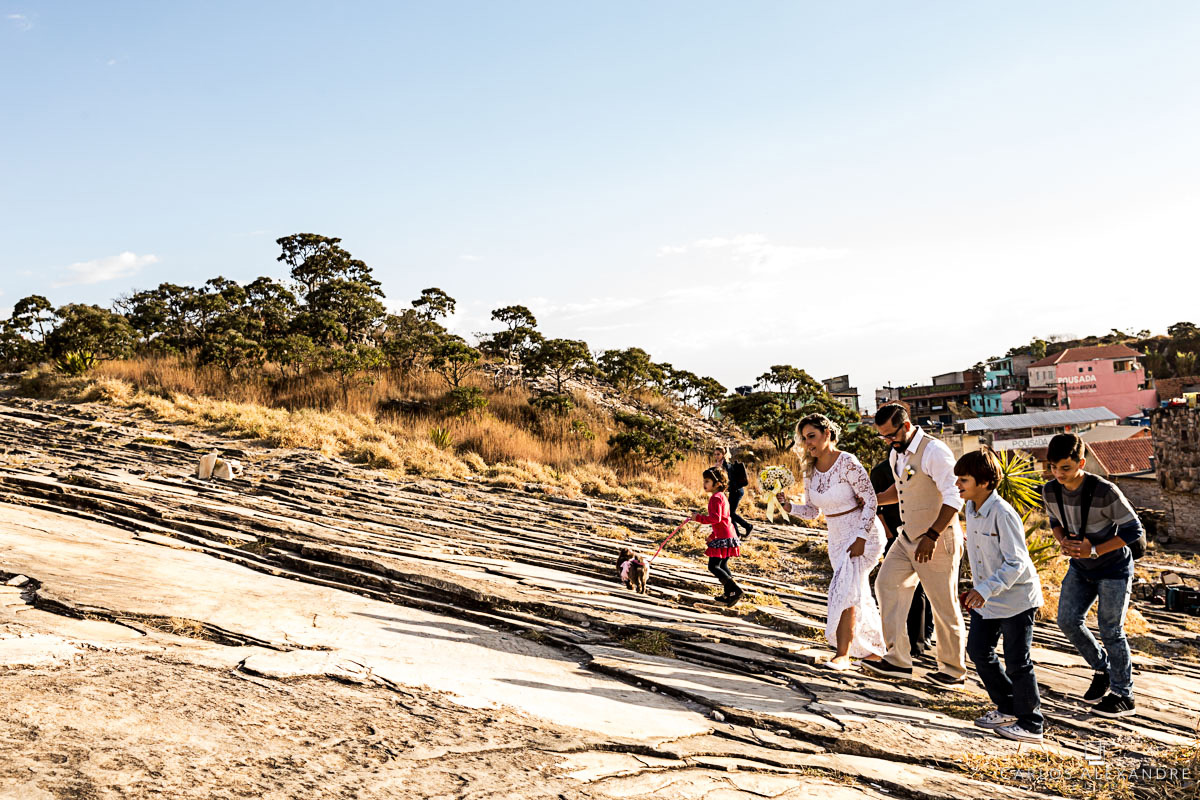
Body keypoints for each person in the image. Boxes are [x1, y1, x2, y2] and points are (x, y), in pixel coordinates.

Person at [1044, 433, 1145, 718]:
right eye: (1053, 467)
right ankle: (1103, 669)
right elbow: (1054, 521)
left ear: (1081, 463)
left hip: (1113, 569)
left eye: (1065, 467)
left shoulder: (1105, 491)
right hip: (1080, 568)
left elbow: (1133, 531)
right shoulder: (1050, 490)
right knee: (1066, 621)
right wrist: (1063, 540)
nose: (1058, 474)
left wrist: (1095, 550)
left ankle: (1124, 695)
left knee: (1111, 631)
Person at [866, 404, 967, 687]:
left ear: (906, 425)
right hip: (907, 536)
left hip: (937, 538)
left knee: (943, 604)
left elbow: (954, 497)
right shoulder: (896, 453)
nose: (888, 441)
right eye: (883, 437)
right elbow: (898, 492)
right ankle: (898, 659)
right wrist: (868, 500)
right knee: (886, 585)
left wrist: (932, 535)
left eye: (890, 435)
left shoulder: (935, 452)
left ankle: (952, 671)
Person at [777, 414, 886, 669]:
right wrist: (788, 506)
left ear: (827, 433)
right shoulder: (810, 472)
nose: (807, 443)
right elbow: (813, 512)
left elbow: (871, 500)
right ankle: (874, 649)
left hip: (863, 535)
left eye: (811, 436)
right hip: (836, 539)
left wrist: (860, 537)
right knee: (856, 592)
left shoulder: (847, 462)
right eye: (804, 439)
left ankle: (842, 655)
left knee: (846, 591)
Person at [956, 448, 1045, 743]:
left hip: (1017, 599)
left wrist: (983, 590)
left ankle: (1032, 724)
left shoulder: (1003, 514)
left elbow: (1017, 563)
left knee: (1018, 661)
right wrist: (976, 589)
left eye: (964, 480)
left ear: (985, 483)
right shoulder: (971, 508)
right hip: (987, 598)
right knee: (979, 651)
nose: (958, 485)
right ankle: (1007, 706)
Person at [870, 458, 934, 658]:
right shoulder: (880, 471)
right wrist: (887, 532)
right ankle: (901, 646)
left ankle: (923, 637)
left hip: (921, 532)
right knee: (892, 587)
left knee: (923, 590)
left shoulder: (918, 464)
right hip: (895, 534)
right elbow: (877, 505)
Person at [693, 466, 744, 607]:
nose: (704, 484)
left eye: (707, 481)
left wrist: (698, 518)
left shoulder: (715, 498)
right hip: (727, 534)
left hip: (723, 536)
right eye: (704, 481)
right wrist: (712, 535)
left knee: (713, 566)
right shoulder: (722, 497)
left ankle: (735, 590)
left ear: (718, 484)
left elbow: (715, 518)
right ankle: (729, 594)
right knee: (722, 564)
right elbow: (723, 519)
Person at [714, 446, 753, 540]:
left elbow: (730, 480)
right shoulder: (719, 464)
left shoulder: (726, 465)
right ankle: (737, 534)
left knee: (730, 513)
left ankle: (748, 526)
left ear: (723, 454)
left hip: (737, 491)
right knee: (729, 513)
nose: (716, 456)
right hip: (733, 491)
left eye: (718, 454)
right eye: (715, 454)